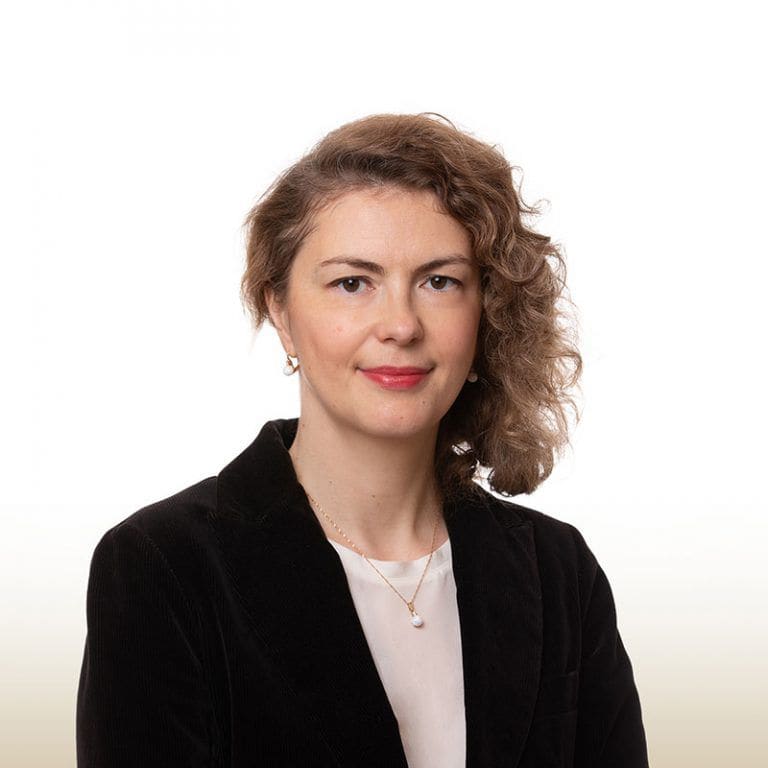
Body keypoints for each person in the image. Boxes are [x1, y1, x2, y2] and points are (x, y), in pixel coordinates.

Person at [76, 113, 649, 767]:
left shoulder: (558, 573)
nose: (400, 325)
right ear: (280, 311)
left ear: (487, 311)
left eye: (440, 281)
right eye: (353, 283)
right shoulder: (163, 568)